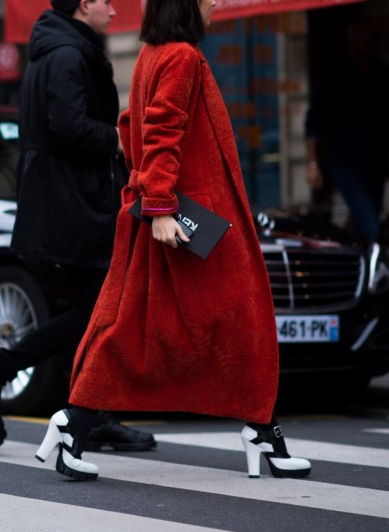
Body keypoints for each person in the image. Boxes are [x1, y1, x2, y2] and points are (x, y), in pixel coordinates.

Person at [33, 0, 313, 481]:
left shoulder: (151, 54)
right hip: (190, 222)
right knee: (240, 324)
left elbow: (133, 125)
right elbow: (162, 130)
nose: (217, 3)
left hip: (176, 216)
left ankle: (73, 424)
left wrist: (154, 199)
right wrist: (160, 206)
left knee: (141, 329)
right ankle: (261, 432)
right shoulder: (181, 55)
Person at [0, 0, 156, 453]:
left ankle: (92, 410)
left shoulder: (60, 49)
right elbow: (68, 127)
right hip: (76, 204)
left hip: (68, 201)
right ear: (84, 6)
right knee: (96, 311)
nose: (113, 9)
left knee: (95, 311)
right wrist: (119, 138)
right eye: (105, 1)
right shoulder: (67, 54)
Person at [305, 15, 389, 241]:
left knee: (367, 222)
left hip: (377, 164)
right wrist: (313, 164)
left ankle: (352, 264)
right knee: (371, 226)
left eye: (372, 37)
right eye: (362, 37)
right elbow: (313, 121)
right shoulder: (337, 77)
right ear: (351, 40)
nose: (368, 42)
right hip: (346, 165)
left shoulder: (382, 75)